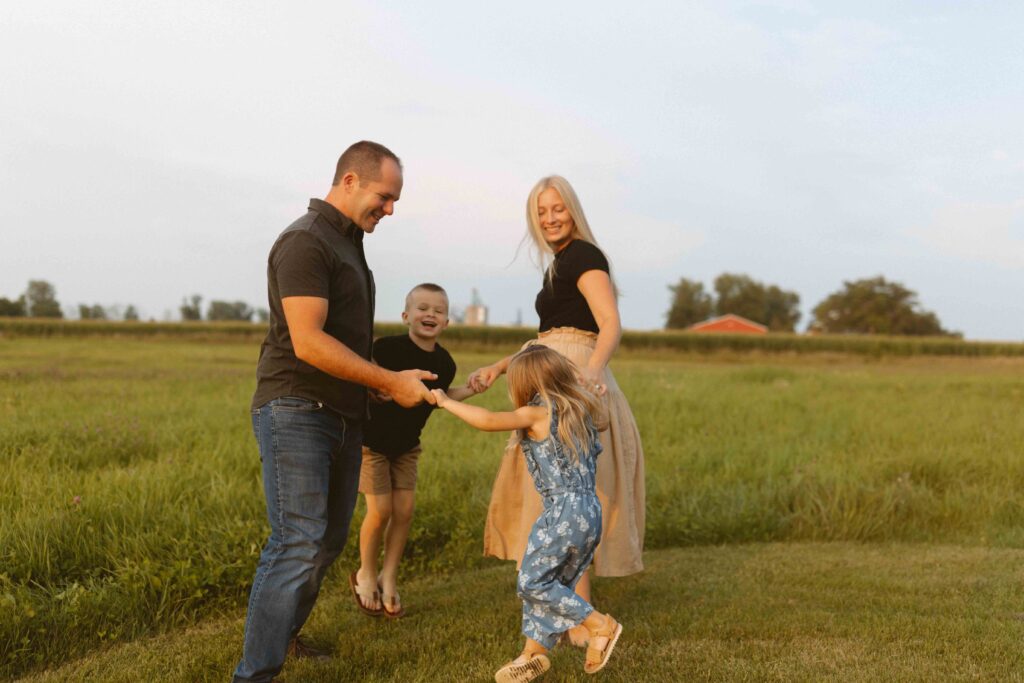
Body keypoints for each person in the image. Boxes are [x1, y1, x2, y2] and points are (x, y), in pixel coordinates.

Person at [234, 141, 436, 683]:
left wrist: (374, 385)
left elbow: (344, 340)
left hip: (345, 414)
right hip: (297, 406)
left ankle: (284, 636)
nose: (390, 209)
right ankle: (255, 673)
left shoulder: (349, 245)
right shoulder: (305, 240)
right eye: (384, 196)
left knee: (326, 543)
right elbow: (309, 342)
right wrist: (388, 379)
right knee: (298, 540)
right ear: (350, 180)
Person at [468, 175, 644, 647]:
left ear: (573, 210)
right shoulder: (558, 264)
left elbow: (608, 323)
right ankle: (574, 622)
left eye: (557, 209)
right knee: (560, 503)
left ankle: (583, 624)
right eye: (541, 211)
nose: (549, 218)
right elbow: (547, 340)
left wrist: (593, 373)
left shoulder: (585, 256)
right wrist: (501, 367)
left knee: (569, 497)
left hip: (572, 386)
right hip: (548, 374)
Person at [434, 345, 623, 681]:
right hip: (589, 512)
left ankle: (599, 624)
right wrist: (596, 393)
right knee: (555, 582)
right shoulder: (580, 408)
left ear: (525, 383)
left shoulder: (538, 412)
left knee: (533, 581)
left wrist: (448, 402)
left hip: (562, 512)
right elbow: (605, 421)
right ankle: (531, 655)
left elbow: (490, 420)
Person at [351, 283, 481, 618]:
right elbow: (366, 382)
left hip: (407, 446)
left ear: (447, 322)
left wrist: (469, 388)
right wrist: (378, 389)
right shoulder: (387, 349)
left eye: (438, 311)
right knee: (380, 512)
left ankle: (389, 576)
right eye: (422, 308)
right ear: (406, 315)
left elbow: (439, 399)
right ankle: (366, 572)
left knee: (404, 512)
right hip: (372, 444)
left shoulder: (444, 362)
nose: (430, 314)